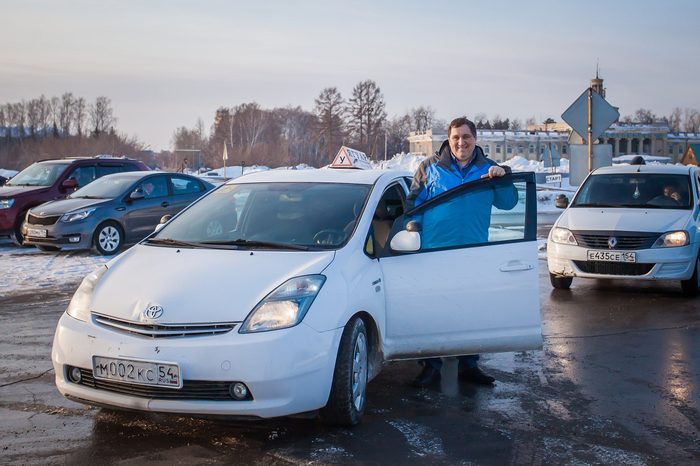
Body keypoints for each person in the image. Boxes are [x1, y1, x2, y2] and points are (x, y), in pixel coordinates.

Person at [407, 116, 517, 388]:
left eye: (466, 137)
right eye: (456, 137)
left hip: (473, 253)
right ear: (449, 139)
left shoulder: (489, 169)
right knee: (435, 311)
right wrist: (413, 230)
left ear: (475, 139)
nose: (461, 142)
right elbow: (413, 205)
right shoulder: (429, 168)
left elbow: (509, 203)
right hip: (436, 253)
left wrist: (502, 179)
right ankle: (431, 367)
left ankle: (469, 365)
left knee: (471, 310)